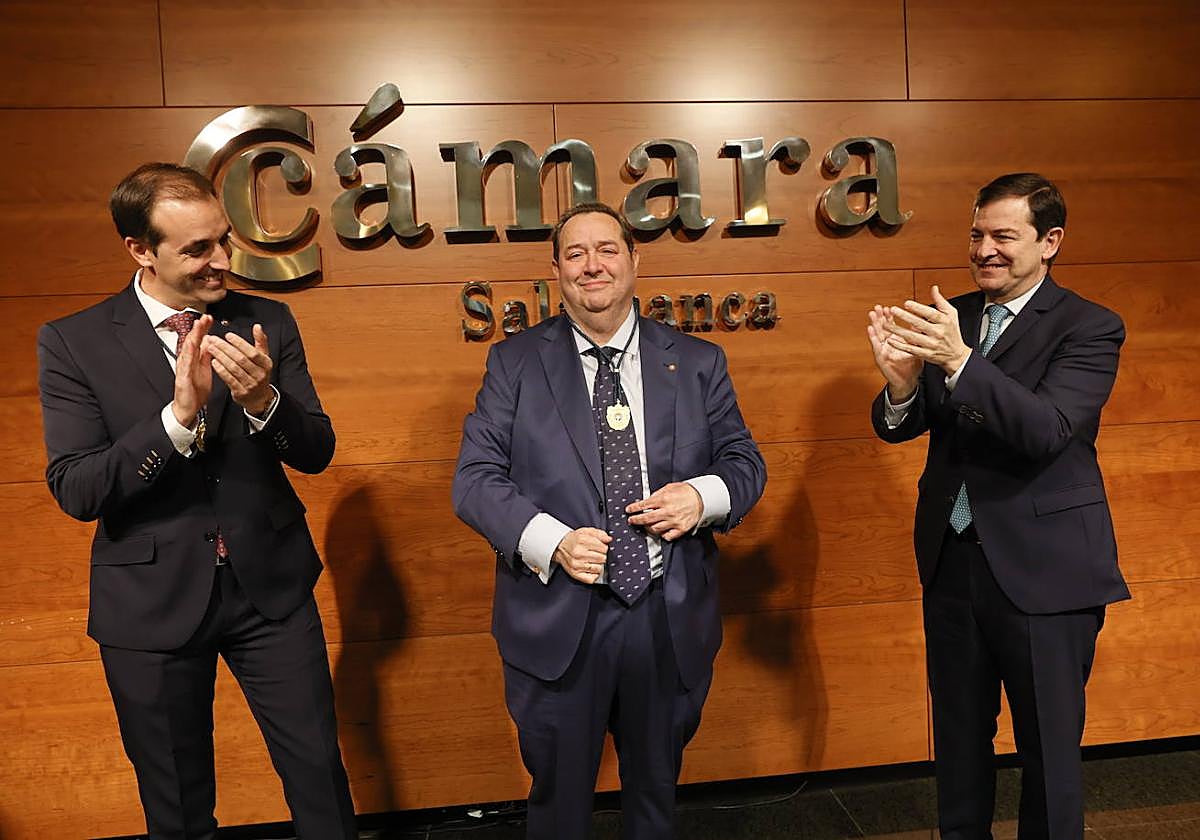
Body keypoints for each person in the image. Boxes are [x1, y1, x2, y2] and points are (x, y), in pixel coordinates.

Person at [37, 163, 356, 839]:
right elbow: (78, 487)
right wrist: (176, 420)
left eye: (223, 239)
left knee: (319, 779)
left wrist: (264, 402)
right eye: (197, 249)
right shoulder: (73, 342)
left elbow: (317, 450)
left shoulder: (267, 319)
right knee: (178, 807)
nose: (221, 261)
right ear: (140, 250)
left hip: (270, 589)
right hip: (148, 605)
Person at [453, 202, 766, 839]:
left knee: (655, 800)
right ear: (556, 271)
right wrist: (555, 541)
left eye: (607, 250)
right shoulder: (514, 364)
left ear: (633, 260)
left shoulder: (698, 360)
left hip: (666, 617)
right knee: (559, 805)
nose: (592, 265)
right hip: (559, 617)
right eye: (575, 254)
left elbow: (744, 461)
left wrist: (701, 498)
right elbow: (474, 481)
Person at [867, 173, 1128, 839]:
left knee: (1049, 751)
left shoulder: (1090, 327)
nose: (985, 249)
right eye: (978, 234)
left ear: (1051, 242)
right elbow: (904, 423)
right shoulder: (951, 316)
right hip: (953, 563)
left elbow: (1046, 428)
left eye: (1004, 236)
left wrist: (958, 360)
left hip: (1046, 573)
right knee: (957, 742)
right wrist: (900, 388)